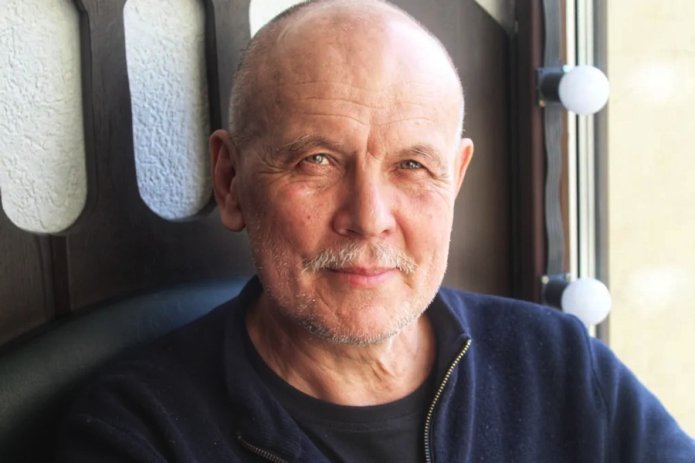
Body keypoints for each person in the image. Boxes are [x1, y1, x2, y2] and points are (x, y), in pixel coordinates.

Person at [59, 0, 695, 461]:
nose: (368, 217)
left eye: (413, 166)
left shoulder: (558, 364)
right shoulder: (140, 431)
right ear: (230, 181)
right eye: (317, 161)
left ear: (455, 179)